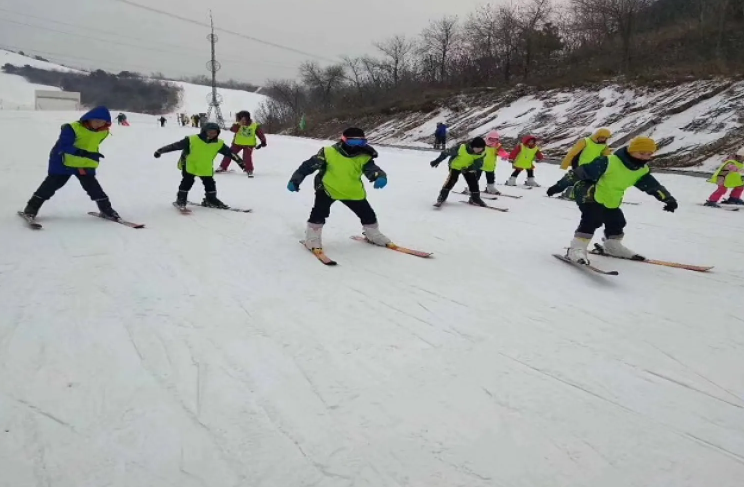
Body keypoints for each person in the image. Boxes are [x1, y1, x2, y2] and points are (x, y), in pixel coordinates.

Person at [564, 136, 678, 264]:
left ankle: (613, 246)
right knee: (592, 219)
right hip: (592, 196)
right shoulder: (608, 161)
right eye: (641, 153)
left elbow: (653, 186)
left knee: (617, 221)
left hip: (612, 201)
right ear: (631, 151)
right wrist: (560, 185)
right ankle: (576, 248)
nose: (645, 157)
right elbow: (580, 173)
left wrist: (668, 199)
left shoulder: (640, 170)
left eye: (649, 154)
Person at [287, 127, 391, 251]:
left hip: (352, 191)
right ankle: (312, 238)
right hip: (327, 189)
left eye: (361, 142)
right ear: (343, 140)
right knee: (319, 213)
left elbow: (373, 170)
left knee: (367, 213)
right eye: (352, 142)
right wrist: (295, 180)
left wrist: (379, 176)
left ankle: (373, 234)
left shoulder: (364, 156)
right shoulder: (328, 152)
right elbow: (307, 167)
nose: (356, 146)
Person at [22, 106, 120, 220]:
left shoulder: (103, 132)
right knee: (50, 186)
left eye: (102, 122)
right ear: (89, 118)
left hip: (85, 164)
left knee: (94, 189)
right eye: (97, 121)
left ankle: (107, 210)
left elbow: (92, 144)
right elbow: (63, 146)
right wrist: (81, 152)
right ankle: (31, 209)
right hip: (63, 163)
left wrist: (91, 156)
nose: (99, 124)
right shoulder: (71, 128)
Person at [154, 122, 244, 210]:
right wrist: (160, 151)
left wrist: (240, 162)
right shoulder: (192, 139)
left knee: (210, 184)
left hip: (205, 166)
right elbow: (174, 146)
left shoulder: (218, 143)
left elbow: (230, 153)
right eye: (210, 132)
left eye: (215, 132)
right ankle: (181, 200)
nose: (212, 134)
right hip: (190, 165)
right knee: (187, 182)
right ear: (204, 131)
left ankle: (210, 199)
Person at [547, 128, 613, 198]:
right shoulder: (585, 141)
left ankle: (576, 195)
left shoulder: (604, 146)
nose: (603, 139)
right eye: (602, 137)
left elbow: (607, 157)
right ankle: (552, 191)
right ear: (597, 135)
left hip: (592, 169)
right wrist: (565, 164)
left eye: (606, 138)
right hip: (580, 166)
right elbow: (572, 153)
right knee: (568, 180)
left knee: (588, 184)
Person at [430, 137, 487, 207]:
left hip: (467, 167)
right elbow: (446, 153)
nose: (480, 151)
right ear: (472, 146)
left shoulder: (482, 153)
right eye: (478, 149)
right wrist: (437, 161)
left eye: (481, 149)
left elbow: (479, 163)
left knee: (473, 182)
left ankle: (475, 198)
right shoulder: (461, 148)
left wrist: (469, 168)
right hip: (455, 167)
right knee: (451, 181)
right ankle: (442, 197)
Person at [216, 110, 267, 176]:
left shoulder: (254, 125)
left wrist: (263, 141)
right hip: (237, 143)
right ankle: (223, 167)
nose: (242, 121)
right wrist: (239, 124)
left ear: (248, 118)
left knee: (247, 157)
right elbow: (233, 130)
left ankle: (249, 169)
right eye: (240, 119)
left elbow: (260, 134)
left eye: (244, 119)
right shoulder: (237, 124)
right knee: (229, 154)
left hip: (249, 144)